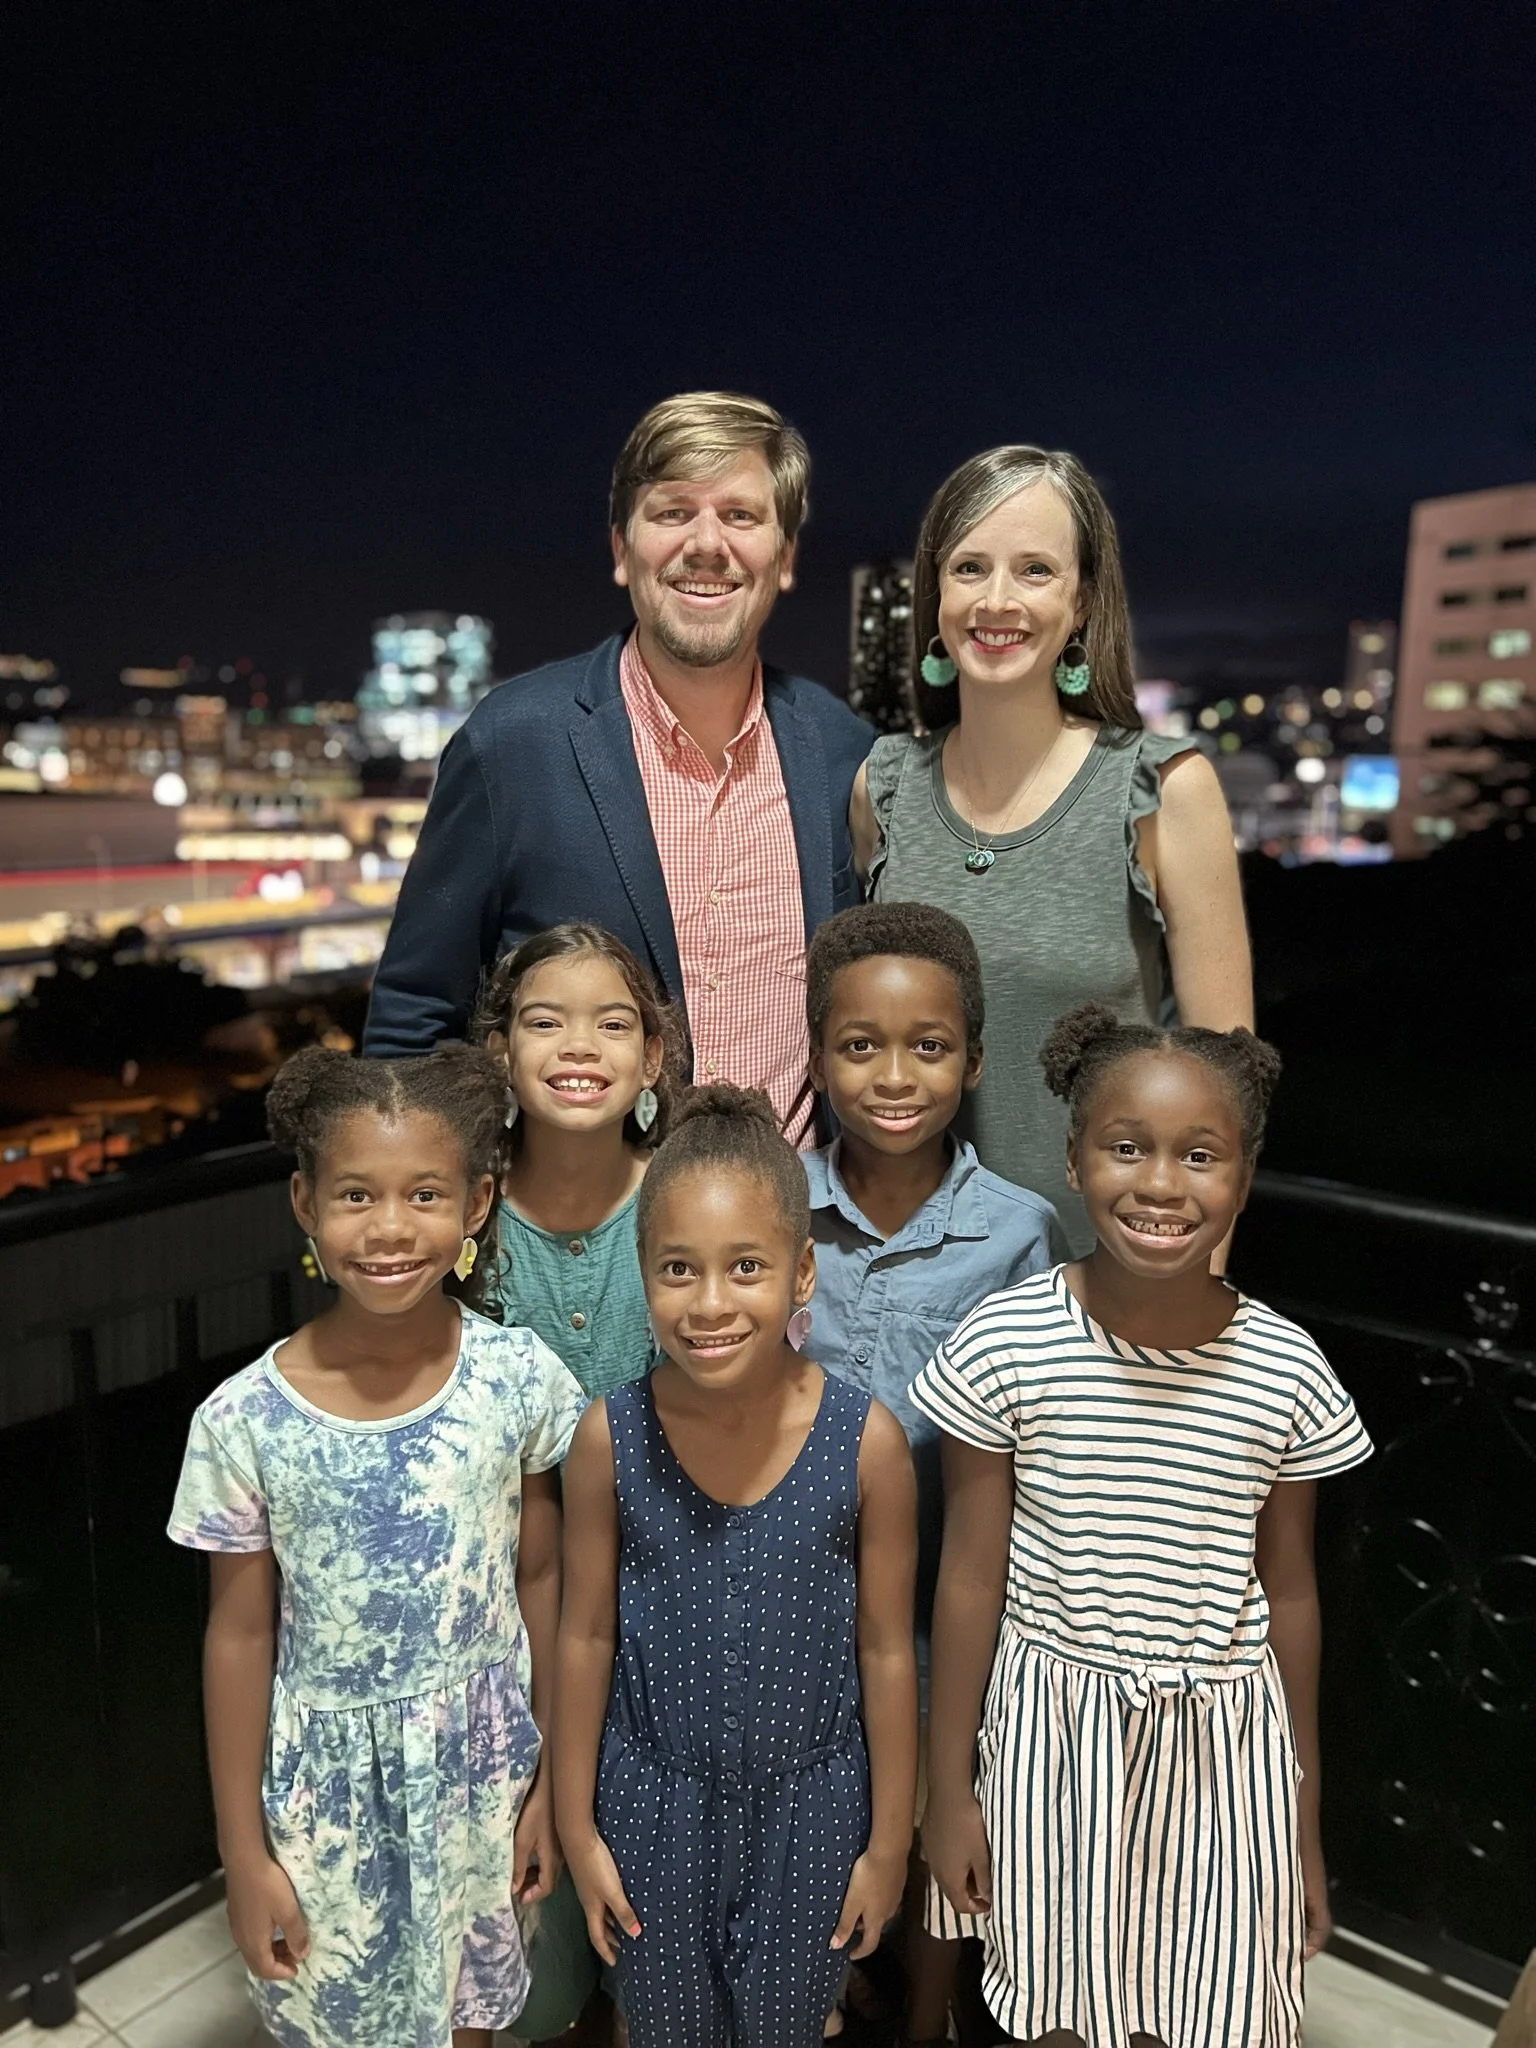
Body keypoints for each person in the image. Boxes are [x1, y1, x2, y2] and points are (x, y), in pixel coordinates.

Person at [917, 1004, 1373, 2048]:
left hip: (1224, 1748)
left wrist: (1300, 1818)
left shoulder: (1287, 1367)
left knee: (1203, 2012)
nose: (1161, 1183)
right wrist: (952, 1790)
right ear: (1075, 1162)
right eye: (1127, 1147)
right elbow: (968, 1579)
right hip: (1050, 1743)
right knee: (1056, 2017)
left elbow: (1291, 1592)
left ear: (1243, 1179)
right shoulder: (1009, 1340)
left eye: (1199, 1155)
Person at [167, 1046, 586, 2048]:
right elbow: (237, 1636)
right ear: (305, 1202)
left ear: (478, 1201)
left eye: (425, 1192)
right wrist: (243, 1850)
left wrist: (548, 1788)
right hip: (325, 1801)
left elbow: (544, 1574)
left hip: (485, 1777)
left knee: (470, 2021)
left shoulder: (517, 1379)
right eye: (357, 1192)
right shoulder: (243, 1421)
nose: (391, 1226)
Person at [365, 391, 873, 1145]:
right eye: (672, 513)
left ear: (786, 557)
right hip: (573, 1245)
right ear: (620, 548)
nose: (707, 545)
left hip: (797, 1245)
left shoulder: (842, 751)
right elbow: (413, 1020)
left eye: (740, 516)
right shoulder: (512, 744)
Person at [555, 1086, 919, 2048]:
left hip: (812, 1810)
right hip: (649, 1805)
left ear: (802, 1273)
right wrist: (578, 1829)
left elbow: (886, 1650)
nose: (710, 1302)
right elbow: (585, 1634)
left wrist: (888, 1844)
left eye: (745, 1267)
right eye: (678, 1269)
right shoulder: (609, 1438)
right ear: (643, 1272)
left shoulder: (864, 1442)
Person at [851, 445, 1252, 1250]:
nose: (997, 601)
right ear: (934, 596)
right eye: (969, 568)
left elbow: (1226, 1095)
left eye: (1035, 570)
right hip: (906, 1294)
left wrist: (1186, 1326)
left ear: (1083, 601)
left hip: (1098, 1301)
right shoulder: (881, 787)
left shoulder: (1162, 789)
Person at [802, 900, 1066, 2045]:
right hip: (798, 1595)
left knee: (937, 1833)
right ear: (816, 1052)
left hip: (947, 1604)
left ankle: (926, 2010)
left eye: (929, 1045)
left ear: (971, 1056)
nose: (894, 1075)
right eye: (859, 1045)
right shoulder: (769, 1204)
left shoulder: (1021, 1230)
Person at [473, 921, 684, 1397]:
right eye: (545, 1023)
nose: (580, 1047)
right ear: (500, 1054)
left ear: (650, 1060)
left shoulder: (685, 1197)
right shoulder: (464, 1213)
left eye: (612, 1025)